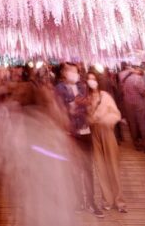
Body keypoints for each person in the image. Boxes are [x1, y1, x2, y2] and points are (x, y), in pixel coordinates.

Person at [54, 63, 103, 217]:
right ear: (64, 73)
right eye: (71, 71)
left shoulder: (82, 86)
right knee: (74, 169)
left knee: (88, 168)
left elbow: (88, 103)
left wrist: (86, 104)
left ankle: (91, 202)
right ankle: (78, 201)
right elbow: (58, 109)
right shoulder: (59, 89)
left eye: (76, 71)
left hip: (85, 130)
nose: (74, 74)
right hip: (71, 133)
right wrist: (71, 106)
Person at [86, 72, 127, 213]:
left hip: (107, 131)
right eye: (89, 79)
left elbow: (116, 114)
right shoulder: (86, 98)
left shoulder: (105, 96)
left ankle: (119, 201)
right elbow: (86, 117)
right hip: (94, 132)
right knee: (100, 168)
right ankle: (107, 200)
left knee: (113, 166)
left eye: (93, 79)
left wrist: (106, 120)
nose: (91, 81)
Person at [121, 65, 145, 150]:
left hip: (128, 104)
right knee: (141, 123)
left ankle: (136, 143)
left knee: (132, 124)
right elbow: (142, 91)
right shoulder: (138, 79)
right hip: (138, 104)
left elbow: (123, 91)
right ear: (137, 71)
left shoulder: (126, 79)